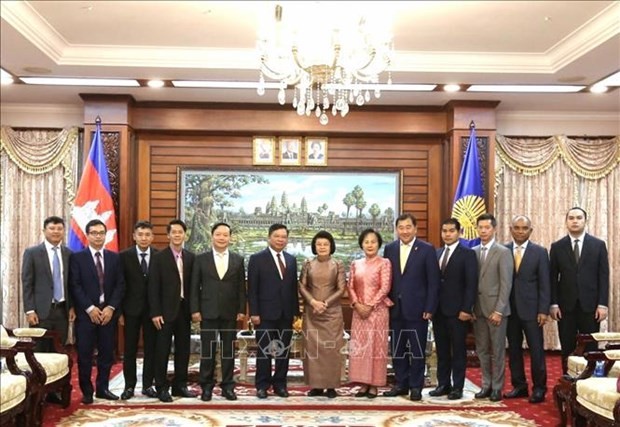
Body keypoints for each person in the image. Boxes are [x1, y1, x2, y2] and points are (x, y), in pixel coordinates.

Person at [383, 214, 440, 401]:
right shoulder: (390, 249)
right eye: (401, 227)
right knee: (398, 349)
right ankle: (401, 384)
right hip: (395, 309)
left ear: (415, 229)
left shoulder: (427, 249)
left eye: (408, 227)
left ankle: (416, 386)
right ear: (396, 229)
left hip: (418, 309)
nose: (405, 231)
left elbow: (433, 282)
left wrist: (430, 307)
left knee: (417, 350)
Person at [70, 219, 125, 404]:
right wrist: (90, 308)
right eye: (94, 233)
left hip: (108, 315)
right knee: (85, 355)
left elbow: (120, 285)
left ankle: (103, 389)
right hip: (87, 315)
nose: (98, 236)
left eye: (101, 232)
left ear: (106, 235)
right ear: (87, 235)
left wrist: (111, 308)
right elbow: (75, 286)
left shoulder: (114, 257)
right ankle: (87, 391)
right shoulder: (77, 258)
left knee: (106, 353)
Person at [190, 222, 246, 402]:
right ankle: (206, 386)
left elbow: (240, 288)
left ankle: (228, 386)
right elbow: (194, 287)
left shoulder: (238, 259)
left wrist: (241, 310)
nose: (222, 238)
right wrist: (195, 310)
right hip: (207, 312)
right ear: (212, 236)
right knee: (208, 351)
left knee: (228, 351)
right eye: (218, 234)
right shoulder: (201, 259)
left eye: (225, 235)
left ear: (230, 238)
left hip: (230, 312)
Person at [549, 207, 609, 374]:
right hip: (565, 307)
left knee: (590, 346)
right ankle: (567, 380)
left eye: (579, 218)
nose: (575, 221)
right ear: (566, 222)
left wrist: (603, 304)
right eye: (571, 218)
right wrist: (553, 304)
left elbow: (603, 276)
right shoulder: (557, 247)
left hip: (590, 307)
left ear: (585, 221)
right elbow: (552, 278)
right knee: (567, 346)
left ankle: (589, 380)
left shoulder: (598, 245)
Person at [247, 223, 299, 399]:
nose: (280, 239)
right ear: (269, 237)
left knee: (283, 351)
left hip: (286, 314)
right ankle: (262, 385)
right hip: (264, 313)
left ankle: (280, 385)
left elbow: (293, 288)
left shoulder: (291, 259)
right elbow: (252, 289)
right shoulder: (257, 258)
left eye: (284, 237)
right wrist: (253, 312)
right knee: (265, 351)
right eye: (277, 236)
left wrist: (296, 313)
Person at [430, 218, 478, 400]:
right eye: (444, 231)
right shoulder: (437, 253)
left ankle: (457, 387)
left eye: (451, 231)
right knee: (442, 350)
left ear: (459, 232)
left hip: (458, 312)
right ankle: (443, 384)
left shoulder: (467, 254)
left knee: (458, 350)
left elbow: (471, 284)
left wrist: (467, 308)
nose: (447, 234)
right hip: (438, 311)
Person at [149, 219, 197, 402]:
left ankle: (180, 385)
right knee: (162, 351)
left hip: (184, 312)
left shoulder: (191, 258)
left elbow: (194, 287)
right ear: (168, 235)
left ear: (185, 235)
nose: (177, 235)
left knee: (183, 350)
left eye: (180, 232)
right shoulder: (159, 258)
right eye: (174, 232)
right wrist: (155, 312)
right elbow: (153, 287)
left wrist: (194, 310)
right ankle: (161, 387)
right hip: (164, 313)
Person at [504, 215, 550, 404]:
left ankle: (539, 388)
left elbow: (545, 283)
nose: (520, 231)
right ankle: (519, 386)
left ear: (530, 231)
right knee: (514, 350)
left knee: (536, 350)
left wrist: (543, 310)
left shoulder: (539, 252)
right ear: (511, 229)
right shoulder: (503, 250)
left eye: (524, 228)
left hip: (532, 311)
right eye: (517, 227)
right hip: (509, 310)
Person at [298, 230, 346, 398]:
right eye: (319, 244)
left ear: (331, 246)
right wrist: (313, 302)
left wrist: (325, 303)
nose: (322, 247)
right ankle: (316, 386)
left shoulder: (338, 264)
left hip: (331, 313)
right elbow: (302, 286)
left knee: (331, 350)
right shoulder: (308, 264)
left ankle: (331, 386)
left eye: (325, 244)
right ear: (314, 246)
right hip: (312, 313)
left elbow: (341, 289)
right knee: (313, 350)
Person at [472, 213, 513, 402]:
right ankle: (486, 385)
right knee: (482, 350)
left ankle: (497, 387)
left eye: (487, 227)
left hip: (496, 311)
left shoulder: (503, 252)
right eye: (480, 227)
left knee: (497, 351)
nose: (483, 231)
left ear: (494, 229)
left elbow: (506, 284)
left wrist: (499, 310)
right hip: (478, 310)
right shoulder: (472, 251)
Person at [348, 228, 392, 399]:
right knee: (361, 348)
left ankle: (374, 385)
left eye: (373, 241)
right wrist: (357, 304)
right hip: (359, 312)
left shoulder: (384, 263)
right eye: (366, 242)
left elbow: (385, 287)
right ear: (361, 245)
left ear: (379, 244)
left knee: (376, 347)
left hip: (378, 311)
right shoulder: (355, 264)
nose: (370, 245)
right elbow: (350, 286)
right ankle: (363, 383)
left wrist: (370, 305)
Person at [22, 216, 75, 352]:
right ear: (44, 231)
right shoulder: (32, 253)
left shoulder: (69, 254)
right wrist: (30, 310)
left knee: (59, 351)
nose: (56, 232)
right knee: (40, 352)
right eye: (52, 228)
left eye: (59, 229)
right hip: (40, 312)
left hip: (62, 311)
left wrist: (72, 307)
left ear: (64, 231)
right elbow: (27, 283)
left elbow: (71, 283)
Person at [119, 220, 159, 400]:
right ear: (134, 236)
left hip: (153, 312)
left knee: (152, 349)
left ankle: (148, 385)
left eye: (147, 235)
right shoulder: (123, 256)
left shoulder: (159, 256)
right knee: (130, 349)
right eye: (140, 235)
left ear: (152, 237)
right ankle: (129, 386)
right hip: (130, 311)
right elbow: (119, 286)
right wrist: (119, 312)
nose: (144, 238)